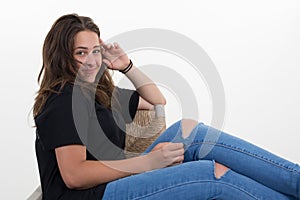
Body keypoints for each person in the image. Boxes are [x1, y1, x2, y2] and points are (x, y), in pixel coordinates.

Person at [33, 13, 300, 200]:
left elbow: (154, 100)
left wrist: (125, 65)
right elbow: (74, 176)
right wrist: (146, 163)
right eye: (81, 52)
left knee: (190, 130)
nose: (91, 60)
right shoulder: (63, 100)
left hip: (115, 181)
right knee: (210, 174)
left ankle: (296, 181)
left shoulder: (95, 94)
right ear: (61, 56)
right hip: (93, 196)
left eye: (96, 51)